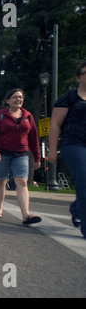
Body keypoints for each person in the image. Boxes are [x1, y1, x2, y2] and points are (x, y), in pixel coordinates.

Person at [0, 88, 42, 225]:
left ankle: (26, 215)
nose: (19, 99)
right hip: (2, 153)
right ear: (8, 101)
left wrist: (37, 157)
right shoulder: (0, 115)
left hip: (21, 153)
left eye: (21, 97)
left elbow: (34, 138)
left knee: (22, 182)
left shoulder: (28, 116)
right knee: (1, 181)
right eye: (15, 97)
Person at [48, 61, 86, 238]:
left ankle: (76, 207)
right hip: (74, 143)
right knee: (84, 180)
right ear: (78, 77)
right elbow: (55, 123)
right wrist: (52, 149)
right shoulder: (69, 98)